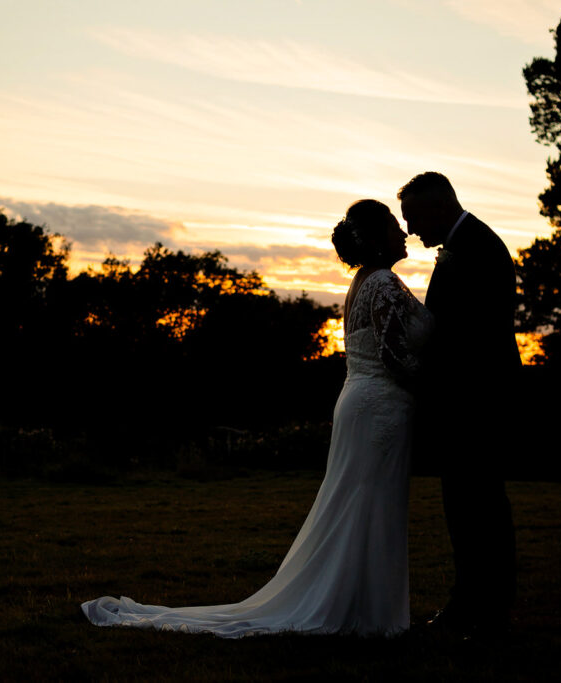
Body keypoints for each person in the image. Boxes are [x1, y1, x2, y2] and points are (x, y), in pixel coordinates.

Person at [81, 199, 433, 638]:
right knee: (370, 503)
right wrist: (437, 382)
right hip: (379, 405)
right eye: (394, 227)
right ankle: (367, 615)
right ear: (379, 239)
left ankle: (362, 606)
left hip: (361, 401)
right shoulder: (382, 281)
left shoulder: (364, 280)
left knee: (358, 503)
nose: (403, 234)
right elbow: (393, 354)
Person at [397, 172, 520, 638]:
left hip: (477, 405)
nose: (410, 230)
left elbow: (470, 339)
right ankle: (473, 605)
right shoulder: (465, 242)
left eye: (413, 218)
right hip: (469, 404)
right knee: (469, 507)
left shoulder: (476, 248)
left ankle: (484, 611)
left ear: (438, 208)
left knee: (479, 508)